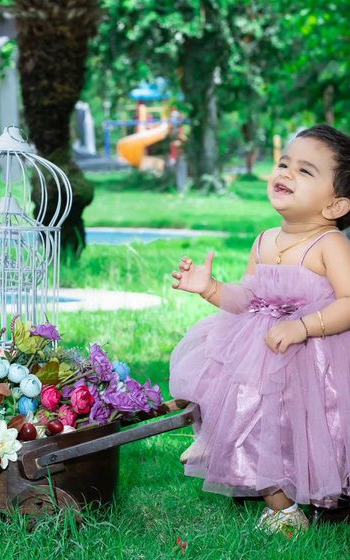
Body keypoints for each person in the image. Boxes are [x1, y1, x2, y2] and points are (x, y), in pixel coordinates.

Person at [169, 124, 350, 534]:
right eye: (284, 163)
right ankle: (278, 503)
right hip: (259, 350)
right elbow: (248, 298)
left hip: (316, 356)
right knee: (247, 412)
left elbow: (349, 302)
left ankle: (323, 492)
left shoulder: (329, 245)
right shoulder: (265, 239)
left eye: (305, 171)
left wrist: (304, 326)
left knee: (314, 427)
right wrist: (212, 289)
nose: (285, 173)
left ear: (335, 206)